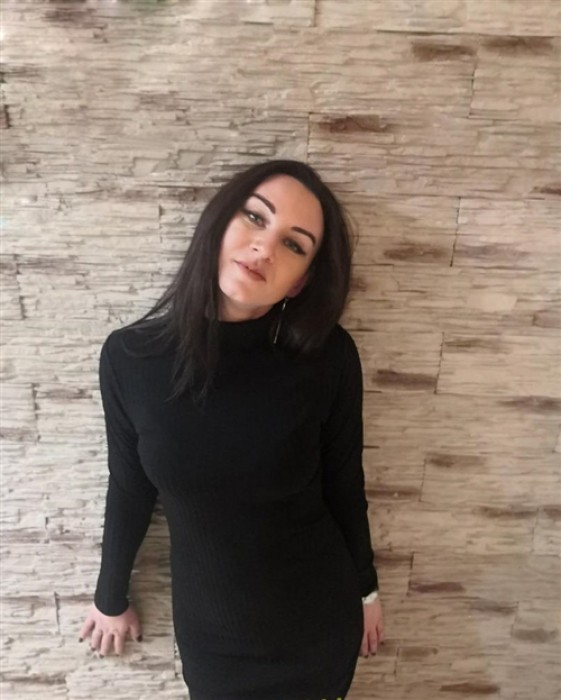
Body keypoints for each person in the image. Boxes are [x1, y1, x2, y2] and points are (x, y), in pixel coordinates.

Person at [79, 159, 385, 699]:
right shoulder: (131, 358)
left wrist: (366, 591)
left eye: (294, 244)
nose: (264, 248)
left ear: (302, 280)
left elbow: (344, 483)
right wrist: (110, 596)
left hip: (318, 625)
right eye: (255, 217)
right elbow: (129, 486)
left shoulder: (327, 356)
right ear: (219, 223)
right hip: (213, 639)